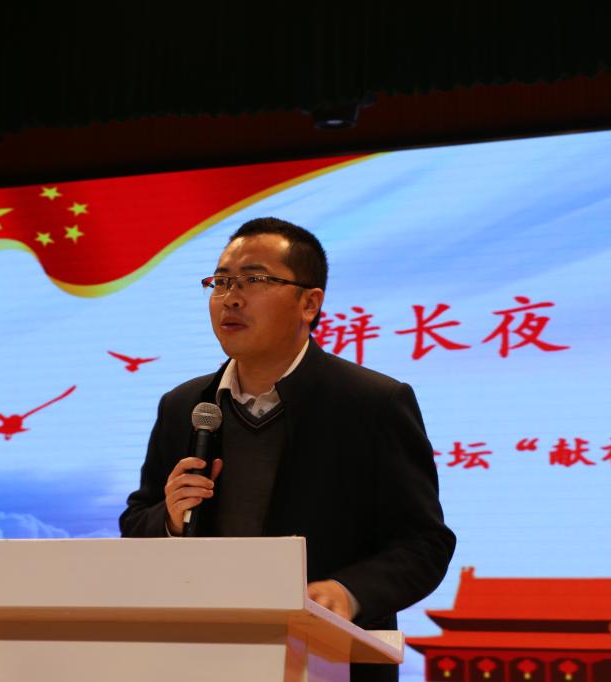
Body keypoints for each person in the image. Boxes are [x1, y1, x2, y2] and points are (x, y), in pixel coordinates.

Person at [119, 217, 455, 682]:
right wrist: (171, 521)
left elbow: (423, 544)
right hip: (201, 658)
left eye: (254, 280)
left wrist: (347, 592)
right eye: (221, 282)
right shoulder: (185, 406)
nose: (231, 298)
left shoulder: (371, 403)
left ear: (309, 303)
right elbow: (137, 521)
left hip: (328, 664)